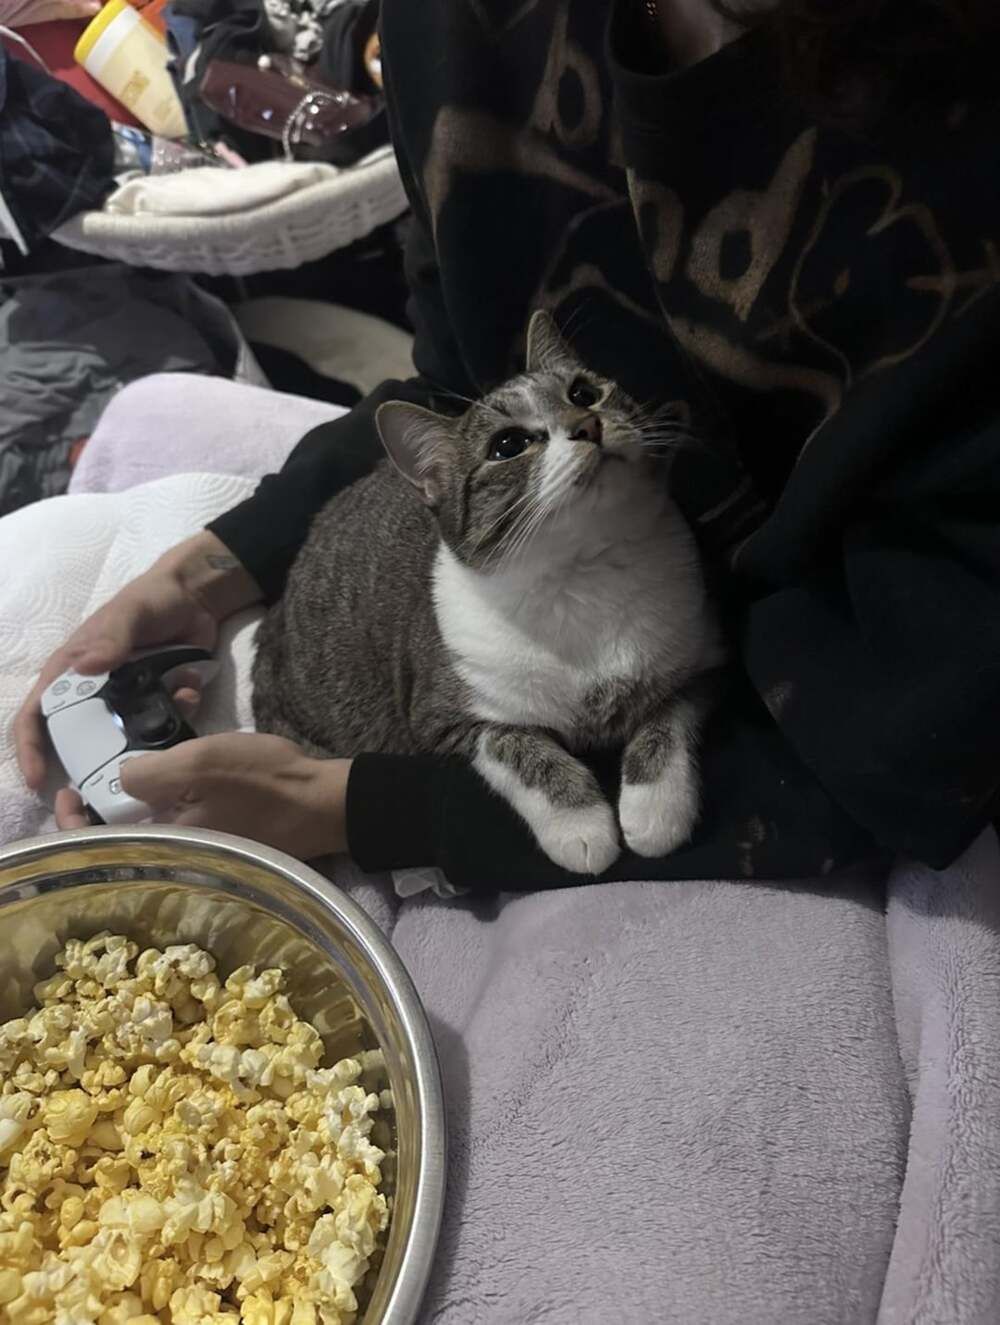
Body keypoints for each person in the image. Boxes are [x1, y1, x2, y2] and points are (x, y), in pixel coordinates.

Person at [15, 0, 1000, 892]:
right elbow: (459, 380)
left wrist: (361, 808)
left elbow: (936, 730)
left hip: (828, 730)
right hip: (481, 608)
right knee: (143, 416)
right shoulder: (442, 29)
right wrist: (205, 569)